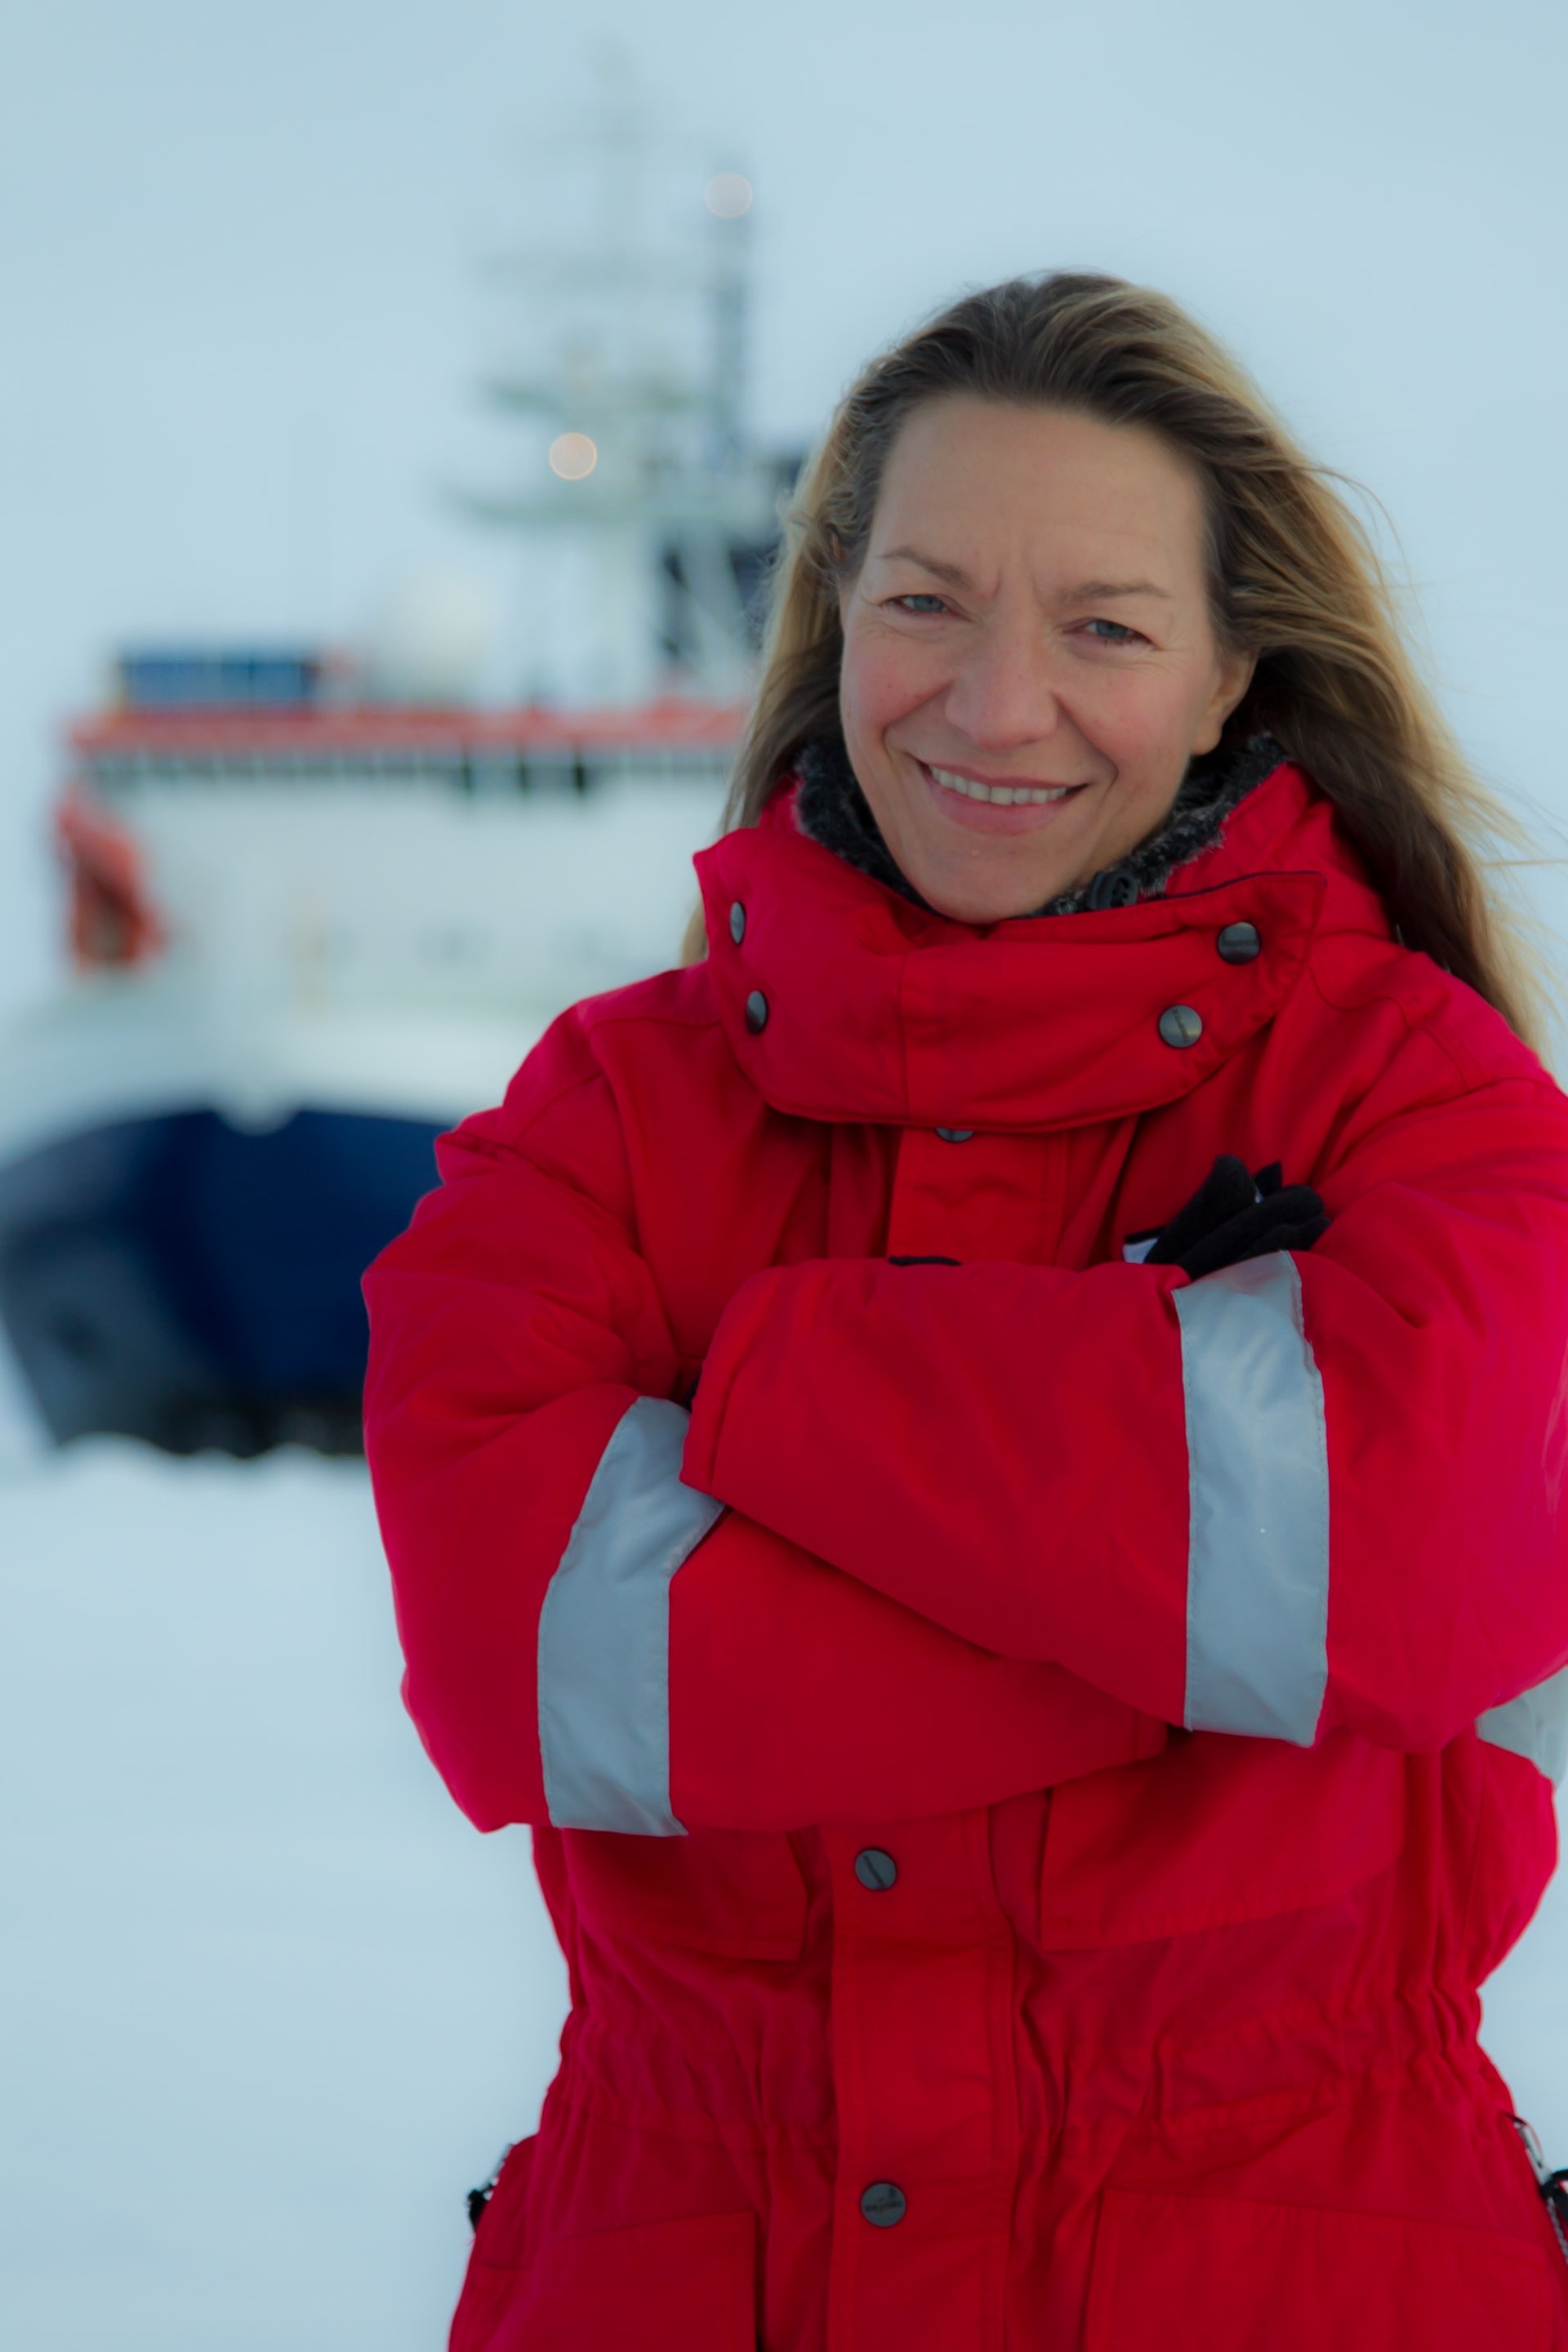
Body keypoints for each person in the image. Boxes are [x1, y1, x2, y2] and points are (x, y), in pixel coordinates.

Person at [363, 271, 1568, 2351]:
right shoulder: (611, 1108)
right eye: (927, 603)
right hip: (685, 2264)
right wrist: (1208, 1613)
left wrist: (785, 1379)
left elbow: (1412, 1551)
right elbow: (532, 1668)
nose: (998, 706)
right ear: (836, 626)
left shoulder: (1416, 1090)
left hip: (1300, 2271)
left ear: (1227, 678)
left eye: (1104, 625)